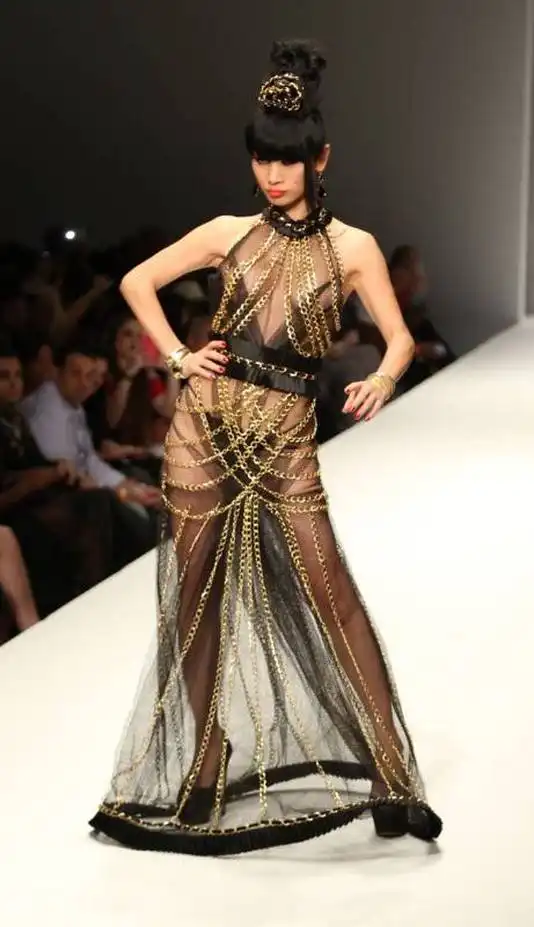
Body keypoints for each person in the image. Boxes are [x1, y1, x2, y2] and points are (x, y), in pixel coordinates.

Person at [89, 39, 442, 856]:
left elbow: (398, 338)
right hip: (202, 431)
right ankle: (207, 756)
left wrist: (383, 378)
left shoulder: (353, 248)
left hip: (287, 441)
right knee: (194, 597)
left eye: (287, 159)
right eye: (261, 158)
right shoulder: (227, 232)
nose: (273, 174)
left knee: (332, 593)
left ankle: (392, 771)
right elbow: (137, 281)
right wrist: (177, 357)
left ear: (321, 158)